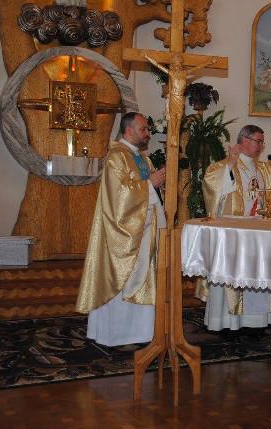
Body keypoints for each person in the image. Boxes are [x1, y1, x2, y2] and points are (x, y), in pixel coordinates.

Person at [75, 112, 166, 346]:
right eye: (143, 129)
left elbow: (149, 192)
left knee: (142, 280)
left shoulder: (143, 158)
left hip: (145, 232)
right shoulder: (116, 157)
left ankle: (141, 333)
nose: (148, 134)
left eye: (147, 129)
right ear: (129, 130)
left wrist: (155, 186)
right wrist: (150, 184)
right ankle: (115, 334)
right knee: (122, 280)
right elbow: (119, 196)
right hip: (123, 235)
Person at [198, 125, 271, 331]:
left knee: (257, 275)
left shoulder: (265, 169)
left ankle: (255, 323)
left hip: (258, 233)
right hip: (233, 234)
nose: (261, 146)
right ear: (245, 140)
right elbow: (212, 187)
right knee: (231, 276)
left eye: (262, 142)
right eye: (259, 141)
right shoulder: (222, 166)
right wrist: (230, 165)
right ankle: (225, 324)